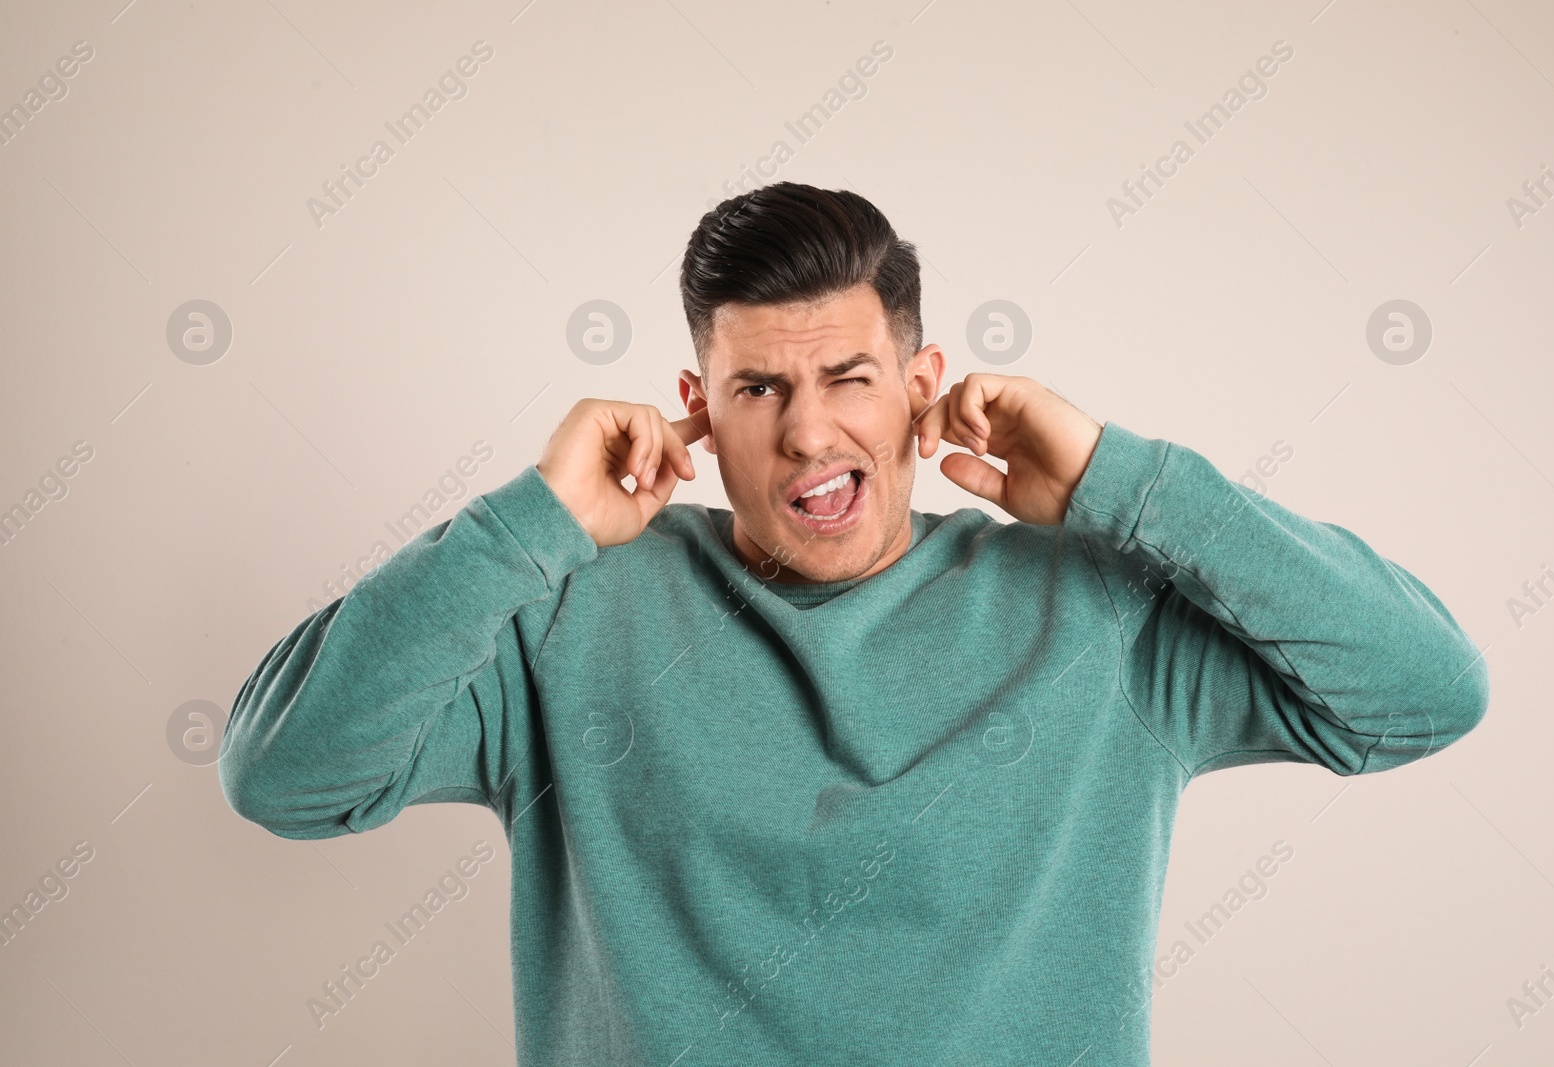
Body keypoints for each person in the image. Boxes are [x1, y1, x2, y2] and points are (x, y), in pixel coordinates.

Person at [219, 182, 1490, 1065]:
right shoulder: (571, 608)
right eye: (758, 387)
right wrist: (531, 520)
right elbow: (285, 775)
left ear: (921, 389)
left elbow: (1423, 688)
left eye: (848, 378)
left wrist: (1126, 483)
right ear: (696, 408)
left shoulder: (1097, 607)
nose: (809, 430)